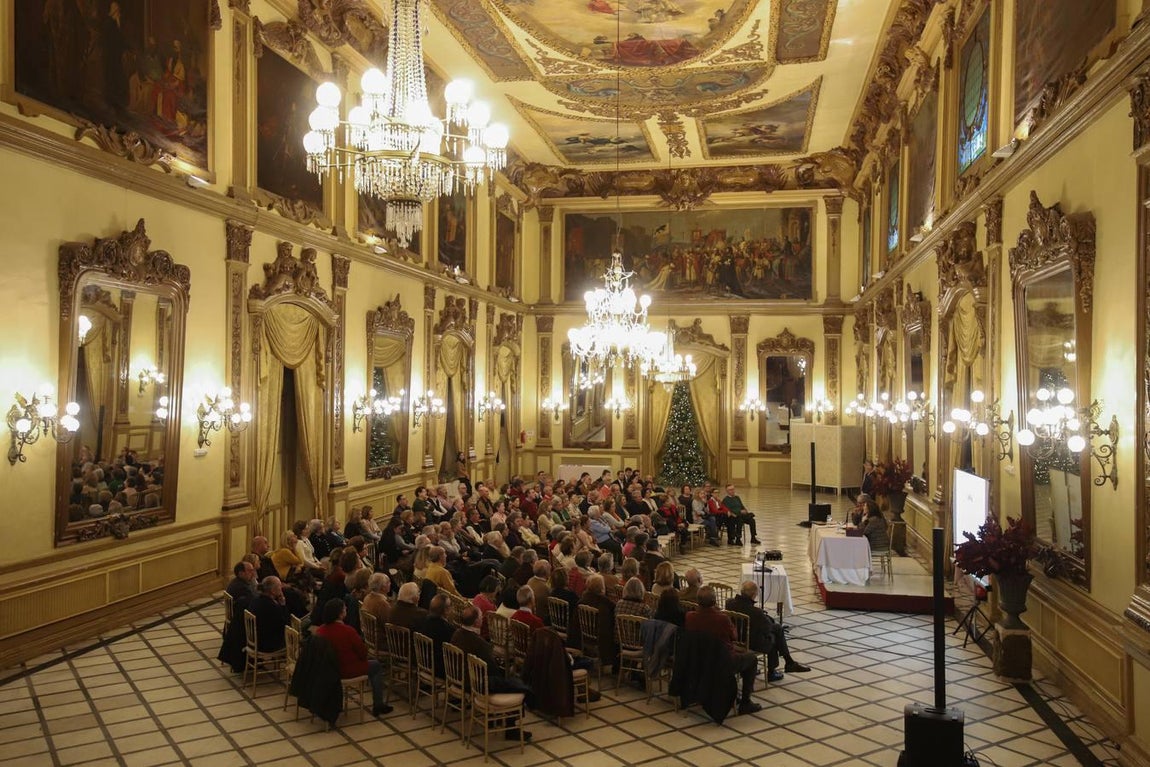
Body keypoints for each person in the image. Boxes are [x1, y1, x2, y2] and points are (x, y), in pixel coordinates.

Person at [450, 606, 534, 742]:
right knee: (515, 685)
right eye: (481, 617)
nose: (483, 619)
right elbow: (493, 670)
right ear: (477, 622)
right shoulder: (479, 643)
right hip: (477, 683)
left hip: (460, 678)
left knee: (512, 682)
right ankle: (511, 728)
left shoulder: (456, 634)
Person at [686, 586, 761, 714]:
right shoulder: (721, 618)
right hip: (722, 660)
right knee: (752, 659)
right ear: (715, 601)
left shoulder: (690, 616)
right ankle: (745, 701)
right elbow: (734, 636)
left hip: (700, 658)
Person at [314, 598, 393, 717]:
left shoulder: (320, 631)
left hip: (327, 670)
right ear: (340, 614)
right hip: (346, 670)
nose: (346, 609)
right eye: (344, 608)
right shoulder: (348, 631)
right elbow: (362, 652)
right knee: (376, 666)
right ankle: (378, 704)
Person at [726, 581, 811, 683]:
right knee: (773, 636)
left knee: (775, 632)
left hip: (736, 639)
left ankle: (788, 663)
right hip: (751, 643)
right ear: (753, 595)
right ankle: (775, 670)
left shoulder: (729, 603)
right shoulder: (756, 612)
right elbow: (767, 628)